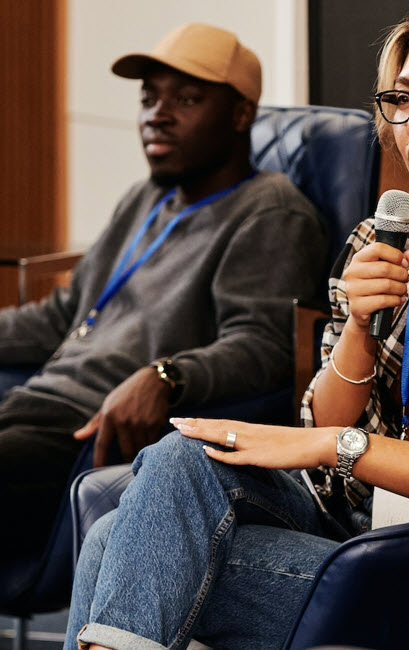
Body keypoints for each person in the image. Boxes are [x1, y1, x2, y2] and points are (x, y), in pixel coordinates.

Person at [64, 4, 409, 649]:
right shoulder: (381, 239)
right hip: (352, 518)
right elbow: (325, 419)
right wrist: (359, 324)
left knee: (114, 542)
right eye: (403, 100)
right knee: (183, 455)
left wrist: (336, 450)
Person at [0, 22, 326, 606]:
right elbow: (64, 316)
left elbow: (262, 348)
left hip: (83, 431)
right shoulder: (147, 197)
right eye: (149, 98)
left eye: (187, 99)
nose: (158, 114)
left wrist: (165, 375)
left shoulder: (269, 211)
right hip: (35, 400)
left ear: (239, 114)